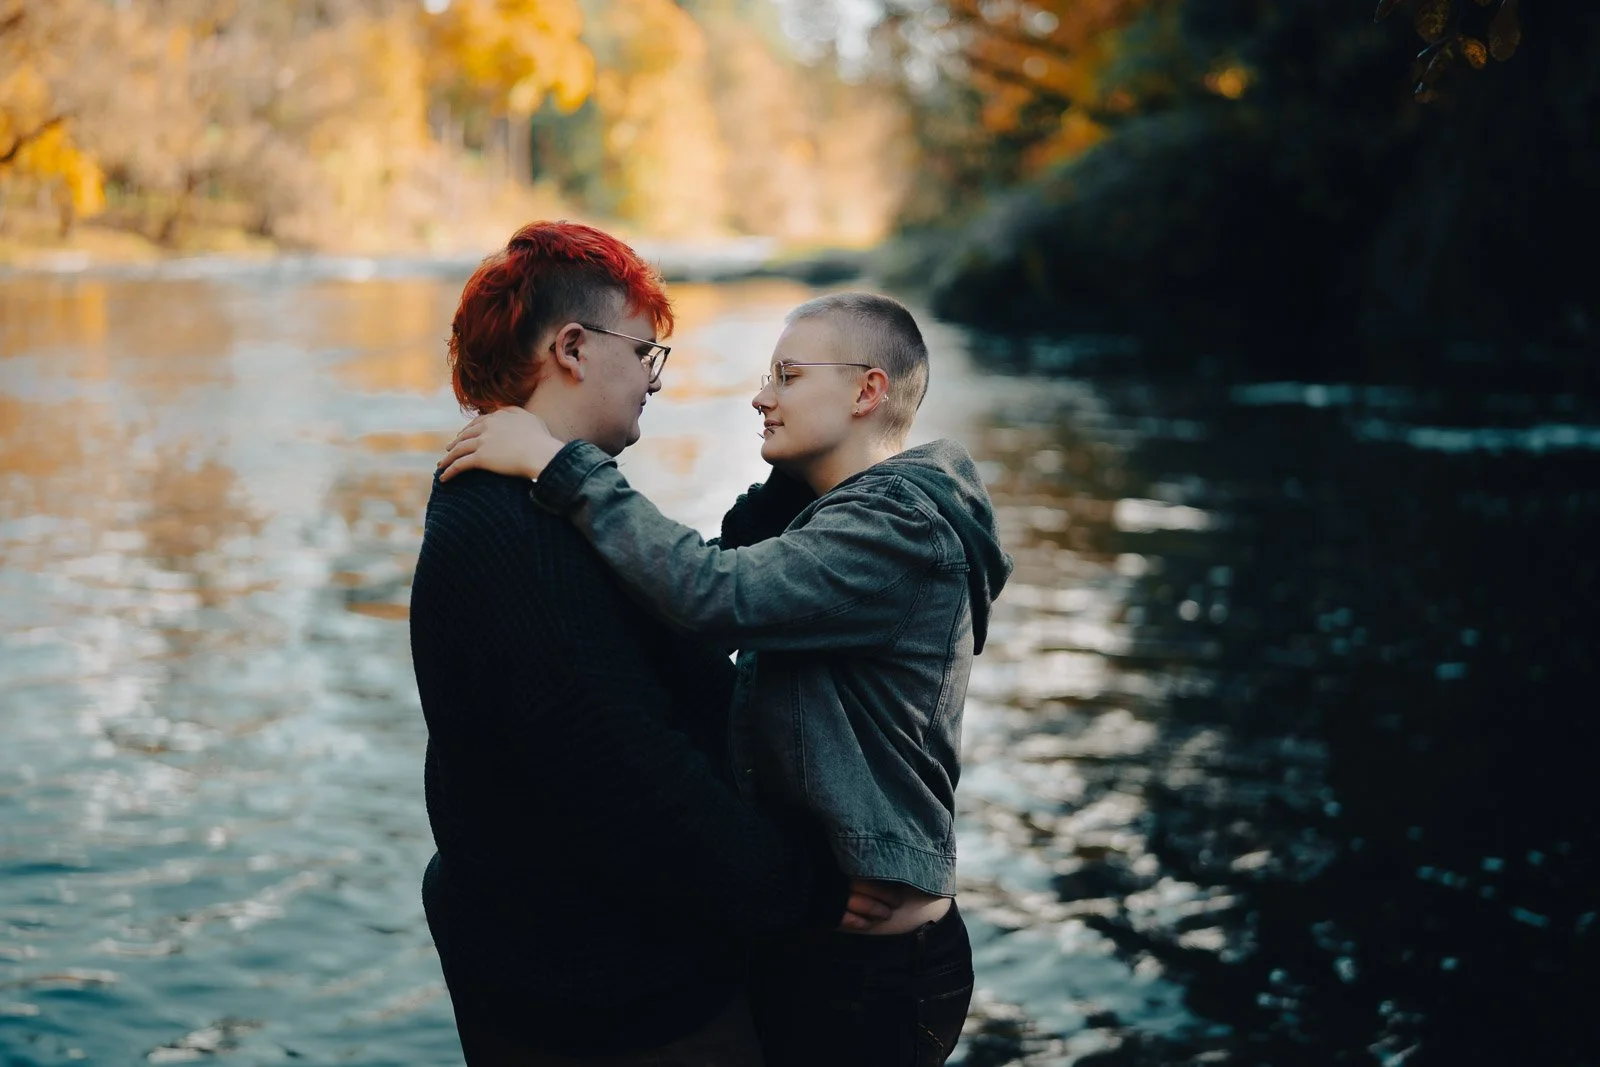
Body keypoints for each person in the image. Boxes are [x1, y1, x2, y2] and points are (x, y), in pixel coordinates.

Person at [437, 291, 1014, 1066]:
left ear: (867, 391)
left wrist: (555, 462)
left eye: (789, 374)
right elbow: (716, 575)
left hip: (877, 970)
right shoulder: (834, 515)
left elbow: (713, 593)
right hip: (812, 939)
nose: (761, 395)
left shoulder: (898, 528)